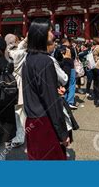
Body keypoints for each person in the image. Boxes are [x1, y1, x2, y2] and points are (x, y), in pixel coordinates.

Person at [22, 19, 69, 160]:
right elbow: (51, 102)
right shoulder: (45, 61)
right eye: (49, 30)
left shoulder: (29, 59)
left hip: (32, 119)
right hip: (45, 123)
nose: (52, 34)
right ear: (40, 33)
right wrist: (62, 133)